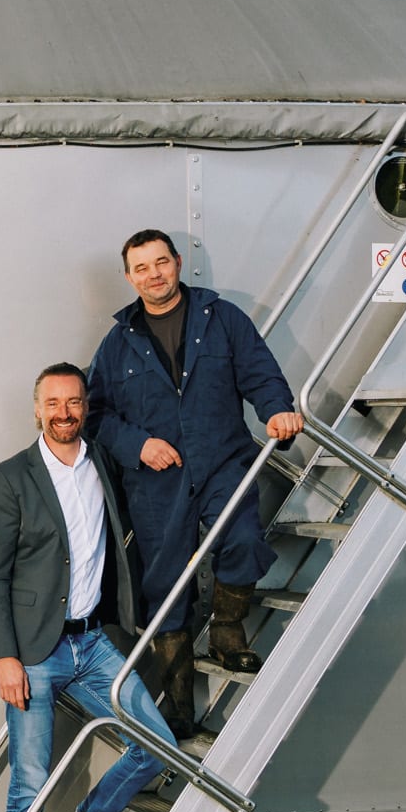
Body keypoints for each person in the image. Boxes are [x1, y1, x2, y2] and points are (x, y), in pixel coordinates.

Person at [0, 363, 179, 812]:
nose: (64, 413)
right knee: (29, 787)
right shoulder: (10, 478)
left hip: (91, 644)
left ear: (86, 407)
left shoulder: (102, 466)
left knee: (158, 744)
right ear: (36, 409)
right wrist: (6, 656)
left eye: (74, 402)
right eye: (53, 403)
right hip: (34, 652)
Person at [85, 229, 304, 721]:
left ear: (179, 263)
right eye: (142, 268)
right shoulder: (118, 343)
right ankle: (179, 703)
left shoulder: (222, 319)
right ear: (129, 277)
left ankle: (227, 632)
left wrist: (276, 410)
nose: (154, 275)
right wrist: (139, 445)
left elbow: (261, 374)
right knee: (165, 582)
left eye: (161, 262)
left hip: (222, 459)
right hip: (157, 480)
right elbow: (96, 415)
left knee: (243, 539)